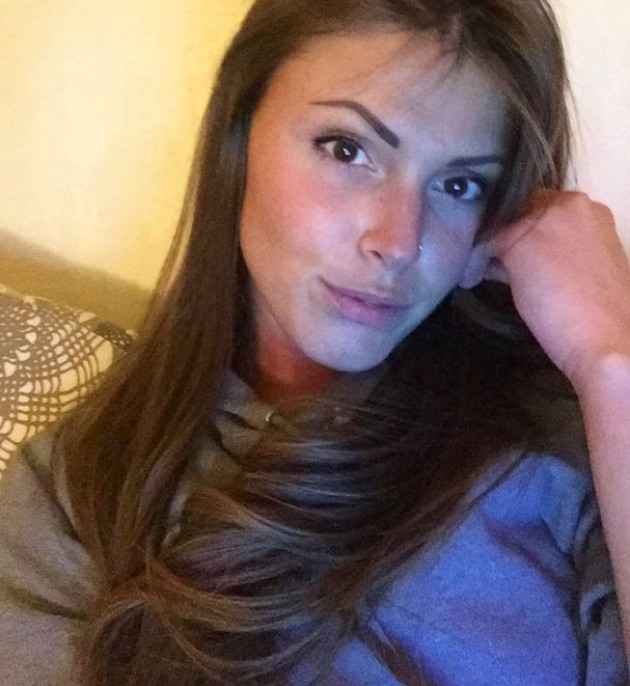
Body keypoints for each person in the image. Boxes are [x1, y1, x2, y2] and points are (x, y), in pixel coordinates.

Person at [1, 0, 629, 684]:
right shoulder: (78, 489)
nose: (398, 241)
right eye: (347, 149)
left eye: (459, 184)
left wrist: (610, 358)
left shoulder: (576, 444)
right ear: (238, 135)